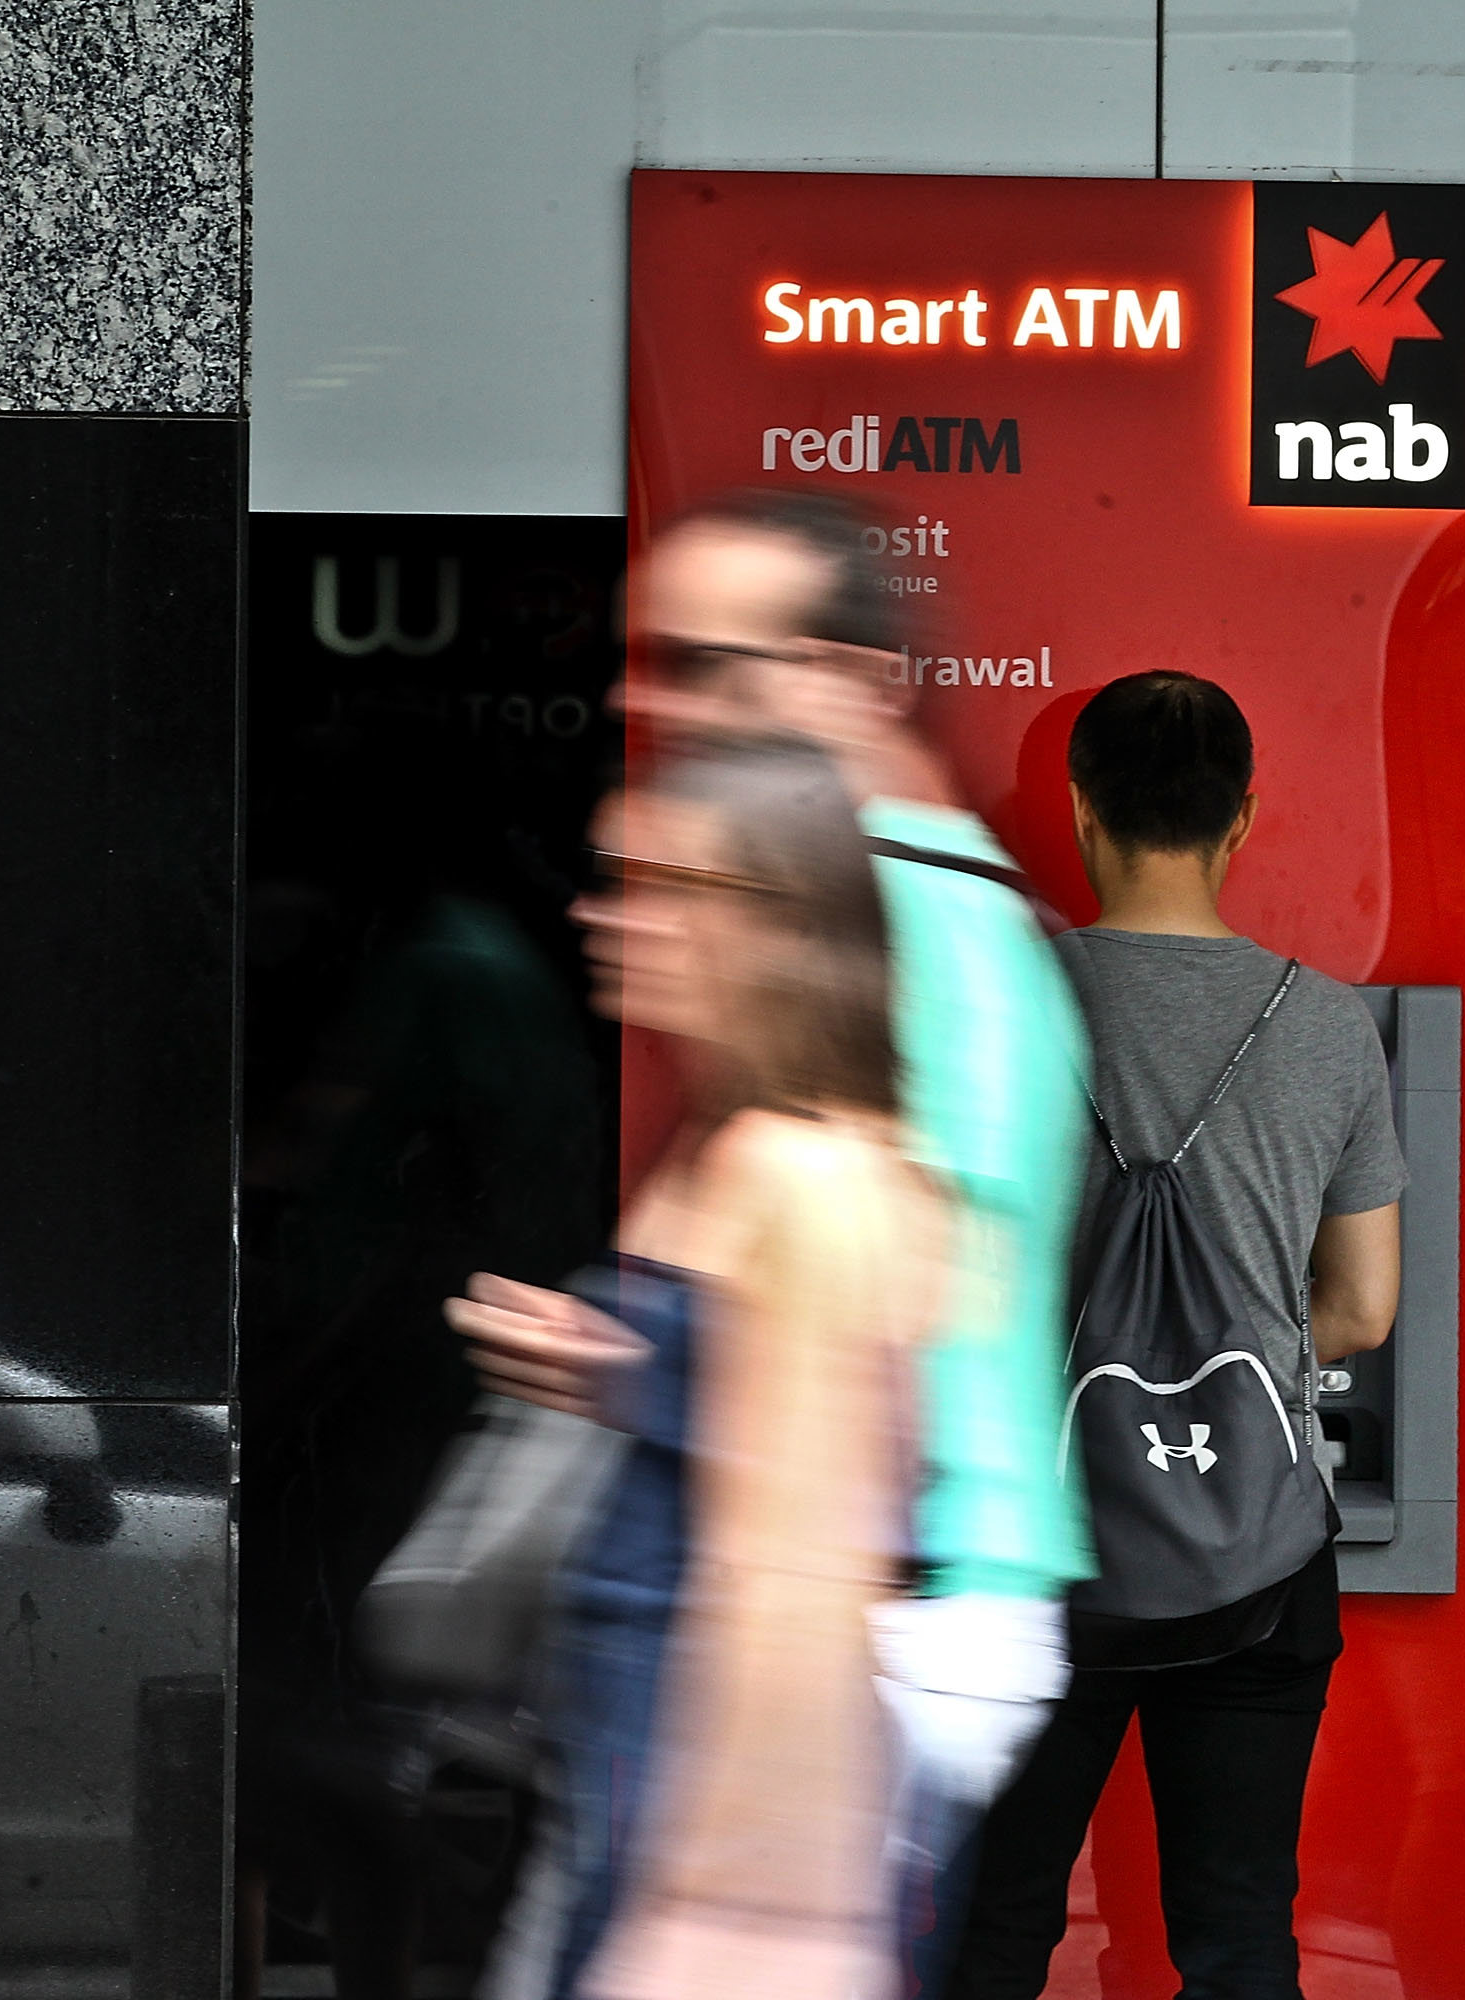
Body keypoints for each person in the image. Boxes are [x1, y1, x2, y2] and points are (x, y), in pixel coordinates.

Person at [461, 490, 1093, 1992]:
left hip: (888, 1603)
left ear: (850, 680)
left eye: (700, 663)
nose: (642, 696)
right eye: (643, 656)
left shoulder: (904, 931)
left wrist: (740, 1912)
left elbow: (862, 1376)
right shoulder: (880, 907)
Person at [943, 670, 1405, 2000]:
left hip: (1034, 1540)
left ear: (1082, 812)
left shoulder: (1003, 1004)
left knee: (997, 1919)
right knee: (1239, 1930)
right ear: (1243, 819)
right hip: (1256, 1547)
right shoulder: (1323, 1026)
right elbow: (1366, 1308)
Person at [459, 739, 945, 2000]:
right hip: (642, 1776)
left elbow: (796, 1578)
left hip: (705, 1823)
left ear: (769, 917)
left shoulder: (797, 1170)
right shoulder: (754, 1141)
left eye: (650, 878)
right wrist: (617, 1365)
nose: (597, 907)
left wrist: (743, 1910)